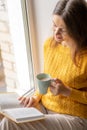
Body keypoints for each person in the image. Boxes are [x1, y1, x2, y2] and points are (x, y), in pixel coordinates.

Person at [0, 0, 87, 129]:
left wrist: (67, 91)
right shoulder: (50, 45)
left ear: (77, 29)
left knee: (9, 124)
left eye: (62, 30)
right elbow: (46, 81)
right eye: (54, 25)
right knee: (3, 111)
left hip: (75, 116)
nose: (56, 33)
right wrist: (35, 97)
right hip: (45, 107)